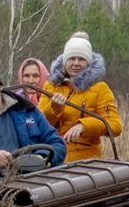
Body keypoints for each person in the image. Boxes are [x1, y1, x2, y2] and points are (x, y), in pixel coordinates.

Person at [39, 33, 122, 163]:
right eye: (71, 58)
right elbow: (39, 124)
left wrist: (83, 126)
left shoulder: (100, 88)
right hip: (52, 158)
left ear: (88, 62)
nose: (76, 63)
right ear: (65, 60)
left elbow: (115, 126)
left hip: (85, 163)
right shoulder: (51, 85)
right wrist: (54, 109)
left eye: (81, 59)